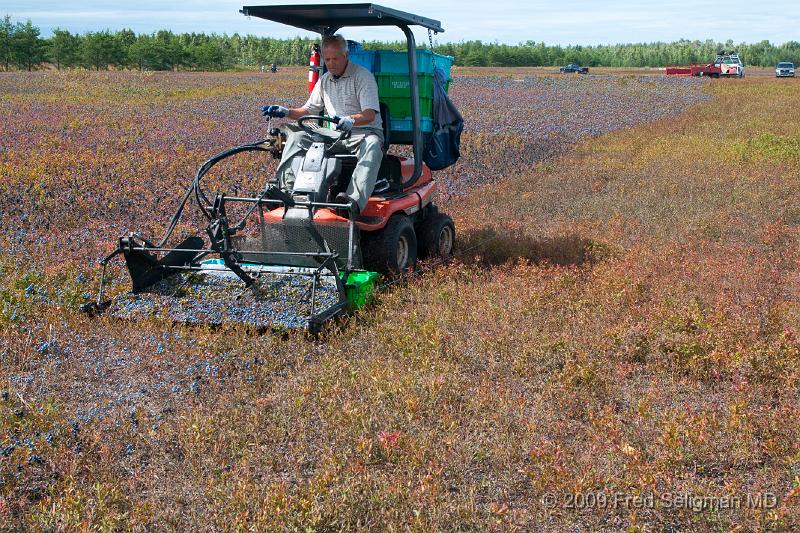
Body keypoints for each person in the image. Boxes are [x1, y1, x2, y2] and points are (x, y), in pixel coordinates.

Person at [261, 34, 383, 215]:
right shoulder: (325, 80)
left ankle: (352, 202)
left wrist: (350, 120)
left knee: (372, 145)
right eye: (327, 59)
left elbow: (369, 114)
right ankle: (285, 191)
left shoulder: (363, 77)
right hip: (334, 135)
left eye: (335, 58)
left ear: (346, 56)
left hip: (362, 133)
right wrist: (286, 112)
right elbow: (309, 109)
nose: (331, 63)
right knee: (297, 137)